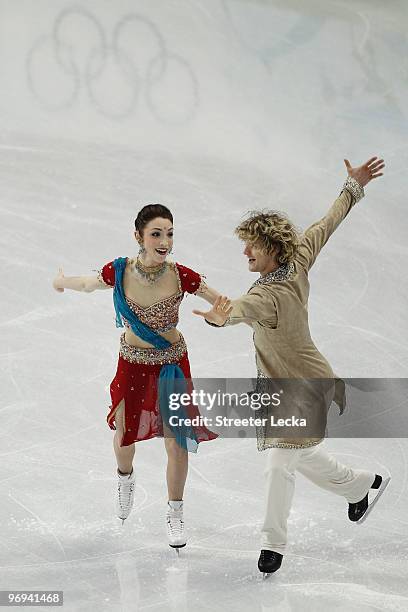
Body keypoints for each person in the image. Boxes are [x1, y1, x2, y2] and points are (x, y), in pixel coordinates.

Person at [193, 157, 391, 575]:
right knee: (299, 455)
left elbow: (240, 309)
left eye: (253, 245)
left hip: (303, 388)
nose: (245, 251)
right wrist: (352, 185)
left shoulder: (270, 297)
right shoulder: (299, 255)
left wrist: (218, 317)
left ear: (273, 248)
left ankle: (272, 546)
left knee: (280, 462)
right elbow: (328, 221)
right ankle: (361, 485)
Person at [53, 204, 219, 550]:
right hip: (132, 363)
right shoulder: (120, 270)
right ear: (138, 236)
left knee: (176, 439)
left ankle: (175, 513)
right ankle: (125, 480)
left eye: (169, 233)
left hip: (171, 363)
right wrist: (62, 281)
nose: (164, 241)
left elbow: (220, 301)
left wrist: (221, 315)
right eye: (156, 233)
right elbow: (87, 283)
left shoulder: (181, 275)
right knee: (124, 433)